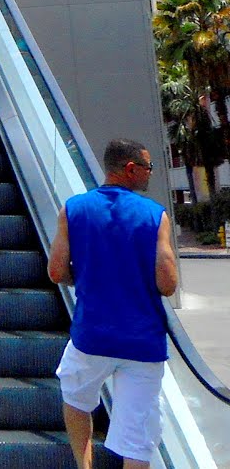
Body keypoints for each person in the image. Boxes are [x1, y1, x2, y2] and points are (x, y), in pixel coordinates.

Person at [48, 139, 178, 469]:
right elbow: (168, 283)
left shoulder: (73, 210)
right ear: (130, 169)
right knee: (137, 437)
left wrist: (86, 275)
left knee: (76, 397)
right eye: (148, 167)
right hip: (143, 342)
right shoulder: (155, 216)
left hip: (93, 335)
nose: (150, 174)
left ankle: (84, 464)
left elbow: (56, 271)